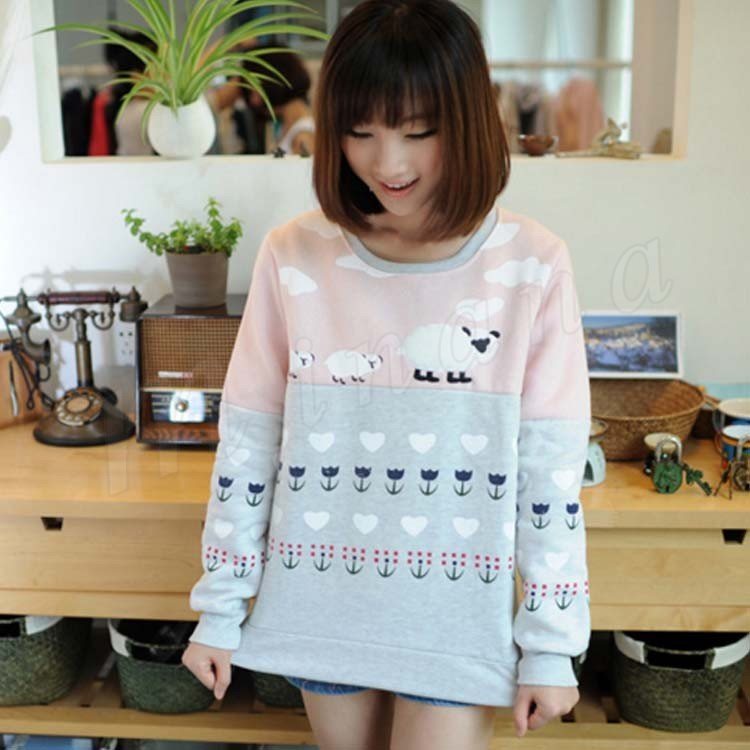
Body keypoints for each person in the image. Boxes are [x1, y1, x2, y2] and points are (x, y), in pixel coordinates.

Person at [182, 1, 592, 748]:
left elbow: (550, 470)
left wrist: (551, 643)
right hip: (320, 602)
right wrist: (220, 607)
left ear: (467, 122)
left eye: (418, 132)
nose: (387, 164)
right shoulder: (293, 254)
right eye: (360, 131)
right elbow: (248, 441)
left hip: (454, 622)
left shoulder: (533, 263)